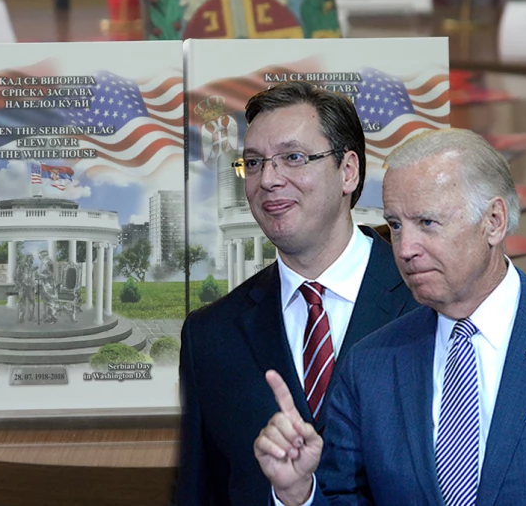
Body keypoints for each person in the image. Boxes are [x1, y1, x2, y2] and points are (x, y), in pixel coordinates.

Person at [254, 128, 526, 505]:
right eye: (395, 225)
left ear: (494, 222)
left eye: (427, 223)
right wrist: (299, 493)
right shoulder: (370, 364)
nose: (405, 248)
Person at [177, 81, 419, 505]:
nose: (268, 179)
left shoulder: (427, 303)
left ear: (348, 171)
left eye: (293, 157)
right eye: (254, 163)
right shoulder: (210, 336)